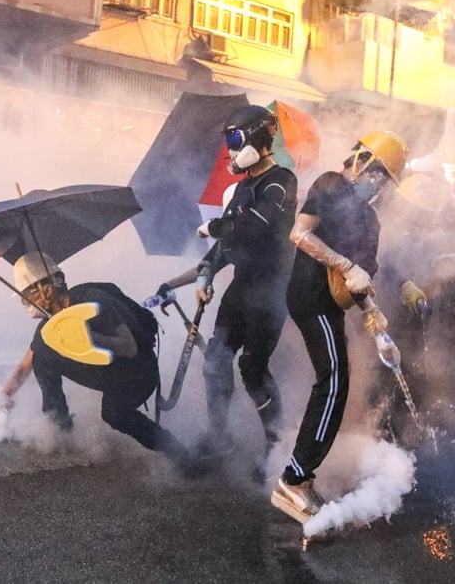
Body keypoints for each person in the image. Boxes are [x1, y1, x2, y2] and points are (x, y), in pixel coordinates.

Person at [271, 131, 427, 523]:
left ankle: (299, 475)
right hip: (309, 297)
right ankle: (294, 480)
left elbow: (359, 280)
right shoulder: (330, 184)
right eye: (378, 173)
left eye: (386, 179)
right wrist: (344, 264)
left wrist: (376, 323)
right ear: (361, 161)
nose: (379, 184)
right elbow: (299, 233)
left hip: (331, 305)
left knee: (337, 381)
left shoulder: (370, 219)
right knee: (334, 381)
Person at [155, 105, 298, 475]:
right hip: (242, 286)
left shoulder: (281, 181)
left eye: (235, 138)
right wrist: (204, 274)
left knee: (252, 367)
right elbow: (227, 245)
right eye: (228, 140)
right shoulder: (242, 187)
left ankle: (277, 446)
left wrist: (216, 227)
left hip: (271, 290)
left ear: (257, 136)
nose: (230, 149)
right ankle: (220, 438)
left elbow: (256, 226)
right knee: (216, 360)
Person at [0, 252, 202, 477]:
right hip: (108, 373)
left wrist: (90, 338)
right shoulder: (50, 326)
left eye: (27, 295)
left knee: (114, 414)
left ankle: (180, 454)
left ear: (46, 288)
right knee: (42, 355)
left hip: (138, 372)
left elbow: (129, 347)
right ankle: (58, 424)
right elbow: (25, 367)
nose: (26, 303)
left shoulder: (92, 301)